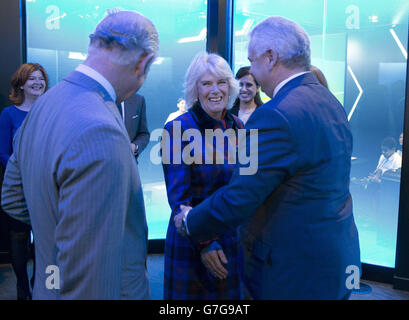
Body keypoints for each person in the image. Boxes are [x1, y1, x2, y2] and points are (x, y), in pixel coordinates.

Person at [175, 16, 361, 300]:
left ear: (271, 58)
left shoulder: (275, 114)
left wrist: (191, 221)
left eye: (253, 61)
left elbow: (240, 197)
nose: (252, 75)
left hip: (293, 269)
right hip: (335, 258)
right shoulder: (328, 101)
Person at [1, 10, 159, 299]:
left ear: (93, 44)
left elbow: (12, 198)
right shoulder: (101, 130)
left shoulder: (43, 105)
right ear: (143, 63)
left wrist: (55, 236)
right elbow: (89, 283)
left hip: (47, 289)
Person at [161, 52, 243, 299]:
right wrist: (206, 243)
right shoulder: (177, 129)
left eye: (221, 82)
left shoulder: (239, 127)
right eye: (206, 83)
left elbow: (246, 186)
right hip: (193, 241)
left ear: (230, 86)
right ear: (195, 89)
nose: (215, 90)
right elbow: (179, 201)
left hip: (232, 239)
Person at [0, 63, 48, 299]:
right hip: (18, 187)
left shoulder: (51, 112)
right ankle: (22, 287)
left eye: (41, 78)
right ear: (20, 83)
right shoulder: (9, 114)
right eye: (32, 79)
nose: (38, 82)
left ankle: (41, 283)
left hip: (45, 188)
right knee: (19, 238)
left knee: (45, 239)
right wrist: (23, 173)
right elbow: (3, 152)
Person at [119, 94, 150, 159]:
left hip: (129, 163)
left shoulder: (138, 100)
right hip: (103, 164)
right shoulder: (98, 99)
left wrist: (135, 146)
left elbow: (144, 134)